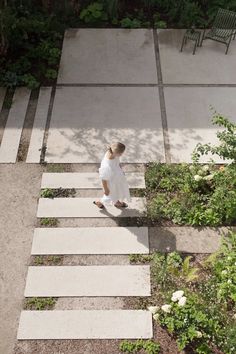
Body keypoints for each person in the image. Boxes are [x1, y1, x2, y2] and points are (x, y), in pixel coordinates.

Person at [93, 142, 131, 209]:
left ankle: (115, 202)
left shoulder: (111, 153)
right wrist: (106, 189)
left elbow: (116, 163)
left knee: (113, 193)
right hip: (111, 182)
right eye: (121, 153)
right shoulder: (106, 165)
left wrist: (120, 169)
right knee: (111, 194)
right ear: (116, 153)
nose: (122, 154)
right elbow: (104, 178)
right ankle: (100, 202)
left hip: (115, 178)